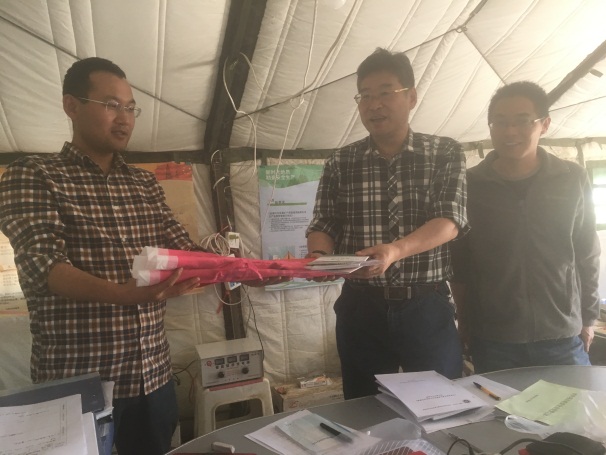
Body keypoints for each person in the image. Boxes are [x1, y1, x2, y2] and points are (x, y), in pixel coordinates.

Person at [0, 57, 204, 455]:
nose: (124, 118)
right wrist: (125, 294)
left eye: (131, 108)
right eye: (111, 105)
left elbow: (182, 248)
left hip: (152, 377)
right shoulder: (35, 175)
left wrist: (253, 268)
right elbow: (43, 266)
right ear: (71, 106)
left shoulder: (143, 183)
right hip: (79, 382)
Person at [306, 48, 469, 399]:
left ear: (411, 97)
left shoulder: (444, 152)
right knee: (364, 406)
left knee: (439, 406)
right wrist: (318, 257)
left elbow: (450, 221)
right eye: (365, 96)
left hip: (425, 305)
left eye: (385, 92)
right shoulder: (342, 161)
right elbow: (324, 222)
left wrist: (395, 251)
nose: (374, 105)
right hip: (361, 306)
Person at [451, 81, 600, 373]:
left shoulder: (572, 177)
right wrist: (464, 321)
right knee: (499, 405)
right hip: (494, 338)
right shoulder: (471, 184)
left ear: (544, 124)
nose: (510, 132)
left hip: (561, 333)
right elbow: (461, 263)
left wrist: (589, 318)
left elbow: (587, 252)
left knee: (573, 403)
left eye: (522, 121)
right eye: (500, 122)